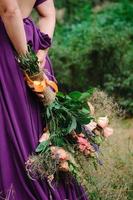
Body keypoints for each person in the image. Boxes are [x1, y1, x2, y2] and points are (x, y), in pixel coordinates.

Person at [0, 0, 89, 199]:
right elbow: (48, 12)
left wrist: (28, 63)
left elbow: (9, 10)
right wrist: (39, 56)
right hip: (29, 46)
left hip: (8, 49)